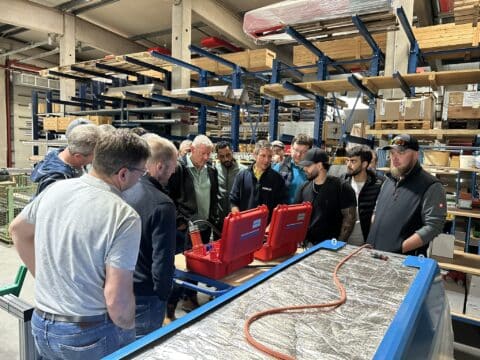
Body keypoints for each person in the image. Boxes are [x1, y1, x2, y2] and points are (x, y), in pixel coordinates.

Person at [9, 129, 150, 359]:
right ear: (123, 174)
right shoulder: (124, 215)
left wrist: (45, 276)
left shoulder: (56, 189)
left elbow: (18, 230)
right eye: (141, 173)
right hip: (88, 334)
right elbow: (117, 301)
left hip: (42, 324)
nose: (140, 179)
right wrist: (129, 328)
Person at [122, 134, 178, 338]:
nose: (174, 171)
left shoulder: (121, 191)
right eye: (173, 166)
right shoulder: (162, 204)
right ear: (160, 166)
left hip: (117, 287)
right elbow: (161, 260)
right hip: (146, 296)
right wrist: (163, 295)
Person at [367, 134, 447, 255]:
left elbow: (433, 226)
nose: (394, 158)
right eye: (392, 153)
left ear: (415, 154)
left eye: (401, 153)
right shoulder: (388, 181)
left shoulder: (431, 186)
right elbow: (376, 211)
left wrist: (399, 248)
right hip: (373, 253)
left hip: (402, 260)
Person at [167, 134, 219, 318]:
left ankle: (191, 297)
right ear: (193, 150)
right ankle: (170, 306)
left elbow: (214, 197)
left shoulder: (210, 171)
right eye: (203, 153)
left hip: (204, 228)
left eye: (209, 154)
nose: (206, 158)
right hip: (185, 229)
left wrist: (212, 218)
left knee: (198, 266)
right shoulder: (180, 169)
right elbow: (168, 197)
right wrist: (179, 221)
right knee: (181, 268)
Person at [295, 148, 357, 245]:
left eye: (308, 165)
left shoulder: (341, 187)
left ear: (319, 165)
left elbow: (349, 218)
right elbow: (296, 216)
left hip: (330, 246)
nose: (304, 169)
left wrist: (337, 244)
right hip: (306, 246)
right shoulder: (303, 187)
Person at [31, 124, 99, 195]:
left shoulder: (62, 152)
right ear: (78, 157)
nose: (95, 159)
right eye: (94, 156)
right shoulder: (56, 181)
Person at [230, 140, 287, 221]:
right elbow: (233, 201)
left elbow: (280, 206)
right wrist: (238, 219)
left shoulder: (277, 179)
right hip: (245, 224)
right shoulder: (241, 176)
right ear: (255, 155)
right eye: (263, 156)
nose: (267, 160)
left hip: (266, 228)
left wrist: (271, 225)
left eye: (270, 156)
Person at [341, 145, 383, 246]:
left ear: (364, 164)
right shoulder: (342, 182)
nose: (348, 164)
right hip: (342, 242)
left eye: (353, 161)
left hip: (367, 245)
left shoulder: (379, 184)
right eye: (347, 160)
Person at [273, 134, 313, 204]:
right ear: (291, 148)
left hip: (305, 212)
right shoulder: (279, 168)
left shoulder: (314, 171)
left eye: (303, 152)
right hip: (284, 211)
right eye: (296, 150)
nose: (298, 154)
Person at [215, 141, 246, 223]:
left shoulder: (243, 171)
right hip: (219, 220)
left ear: (232, 152)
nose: (226, 159)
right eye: (222, 156)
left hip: (237, 219)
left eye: (228, 155)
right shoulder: (214, 170)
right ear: (217, 156)